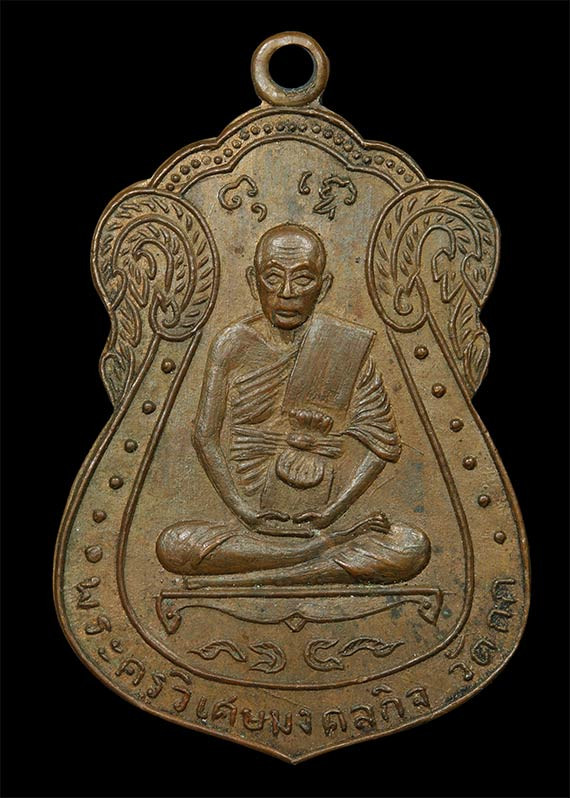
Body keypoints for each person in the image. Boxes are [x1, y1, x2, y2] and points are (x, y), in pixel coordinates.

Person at [156, 223, 430, 586]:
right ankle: (314, 555)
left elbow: (383, 445)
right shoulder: (233, 344)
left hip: (324, 517)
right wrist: (244, 511)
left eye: (303, 279)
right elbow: (204, 437)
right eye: (273, 277)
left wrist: (332, 513)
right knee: (174, 545)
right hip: (249, 523)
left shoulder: (343, 346)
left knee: (412, 547)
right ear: (253, 281)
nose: (286, 293)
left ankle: (292, 558)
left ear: (324, 286)